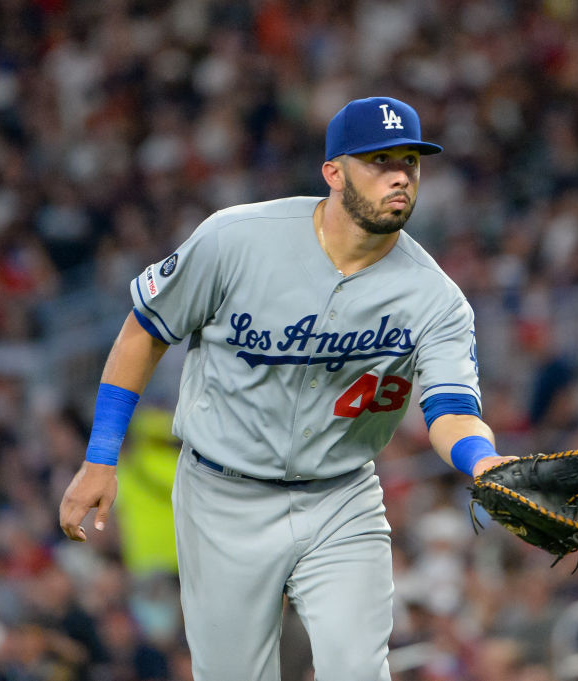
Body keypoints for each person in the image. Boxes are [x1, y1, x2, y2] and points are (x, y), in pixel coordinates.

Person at [58, 96, 514, 681]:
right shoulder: (236, 240)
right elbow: (144, 332)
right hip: (223, 495)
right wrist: (99, 457)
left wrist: (483, 462)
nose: (400, 175)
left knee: (357, 670)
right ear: (334, 171)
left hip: (341, 496)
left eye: (410, 162)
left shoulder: (435, 297)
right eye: (379, 160)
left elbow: (450, 408)